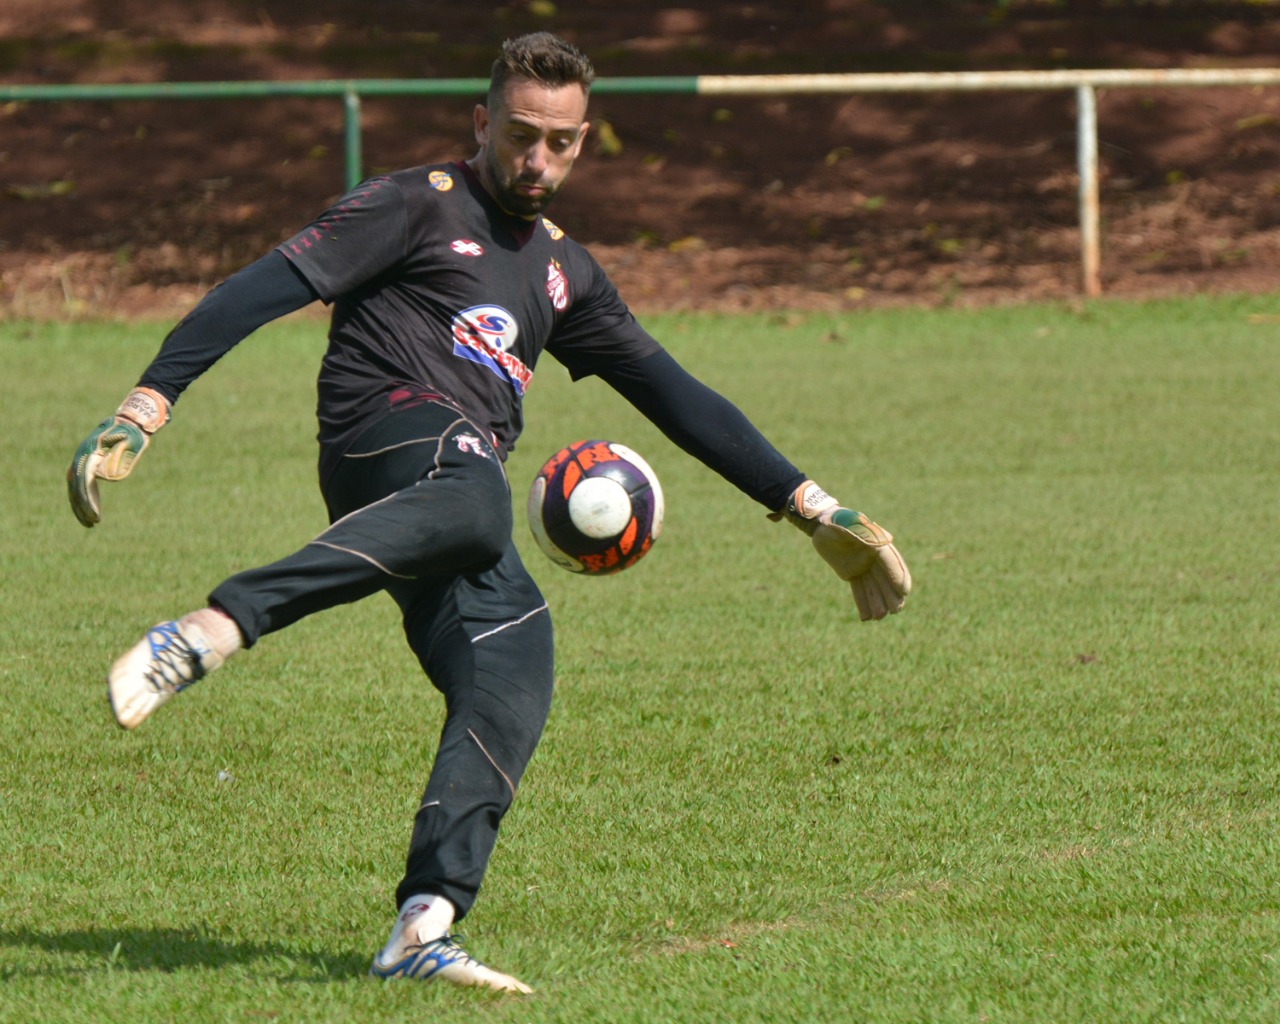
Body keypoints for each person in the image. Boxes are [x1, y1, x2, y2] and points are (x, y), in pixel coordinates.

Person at [67, 32, 911, 994]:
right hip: (382, 437)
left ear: (582, 141)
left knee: (514, 668)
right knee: (479, 498)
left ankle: (422, 927)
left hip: (450, 497)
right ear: (483, 123)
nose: (536, 159)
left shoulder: (564, 272)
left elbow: (677, 396)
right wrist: (147, 404)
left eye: (558, 142)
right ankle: (211, 630)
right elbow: (259, 289)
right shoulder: (410, 205)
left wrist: (810, 507)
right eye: (518, 135)